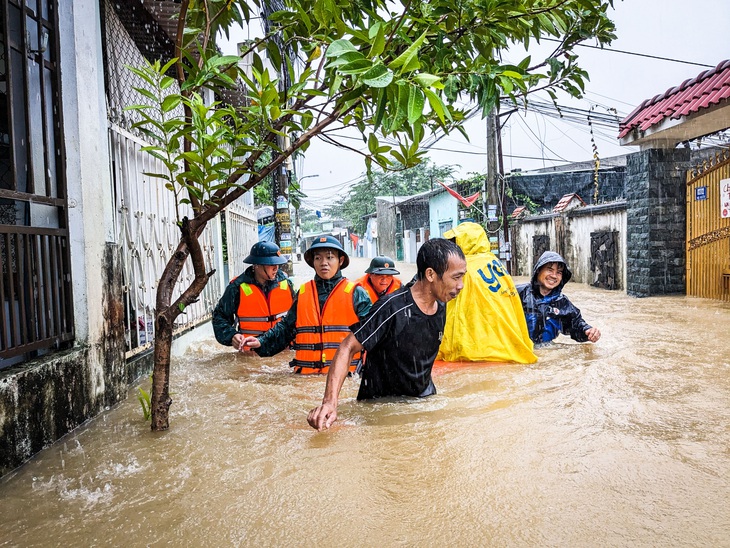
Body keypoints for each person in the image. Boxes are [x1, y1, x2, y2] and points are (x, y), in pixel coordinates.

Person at [307, 238, 467, 431]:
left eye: (462, 277)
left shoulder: (441, 303)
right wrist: (330, 403)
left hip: (424, 405)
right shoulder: (391, 308)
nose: (461, 285)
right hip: (381, 412)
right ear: (431, 274)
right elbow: (347, 347)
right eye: (456, 277)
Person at [241, 235, 372, 374]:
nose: (323, 263)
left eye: (329, 257)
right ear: (313, 262)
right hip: (305, 377)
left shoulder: (356, 293)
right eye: (318, 258)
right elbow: (286, 328)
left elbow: (373, 332)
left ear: (340, 260)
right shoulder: (303, 293)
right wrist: (261, 341)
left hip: (346, 377)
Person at [437, 222, 537, 364]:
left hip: (479, 351)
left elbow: (453, 314)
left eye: (454, 243)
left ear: (463, 243)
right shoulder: (495, 263)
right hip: (509, 347)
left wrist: (443, 351)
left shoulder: (463, 269)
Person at [212, 241, 295, 351]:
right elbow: (219, 316)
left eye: (277, 264)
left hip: (284, 350)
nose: (276, 268)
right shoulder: (237, 287)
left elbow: (300, 314)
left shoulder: (286, 283)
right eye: (271, 264)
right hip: (252, 354)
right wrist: (232, 335)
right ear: (257, 265)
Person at [517, 250, 601, 345]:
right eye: (549, 270)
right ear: (538, 270)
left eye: (559, 272)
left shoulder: (562, 303)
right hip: (518, 350)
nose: (554, 276)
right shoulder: (517, 293)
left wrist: (588, 331)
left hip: (547, 349)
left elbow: (576, 325)